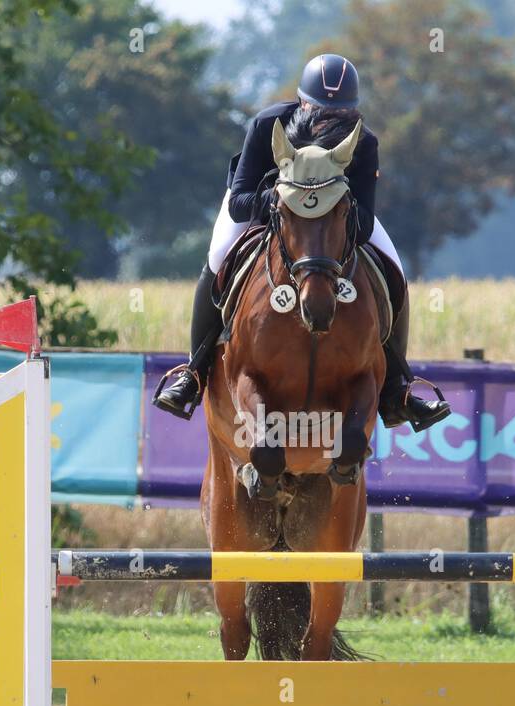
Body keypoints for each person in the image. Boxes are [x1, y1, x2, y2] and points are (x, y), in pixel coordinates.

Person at [153, 53, 450, 432]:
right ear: (303, 102)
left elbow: (363, 224)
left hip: (333, 223)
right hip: (262, 211)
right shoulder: (267, 125)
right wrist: (279, 201)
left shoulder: (363, 142)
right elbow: (241, 199)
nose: (332, 121)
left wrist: (331, 211)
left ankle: (397, 390)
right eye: (324, 110)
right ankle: (193, 373)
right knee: (217, 256)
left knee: (395, 270)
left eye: (341, 113)